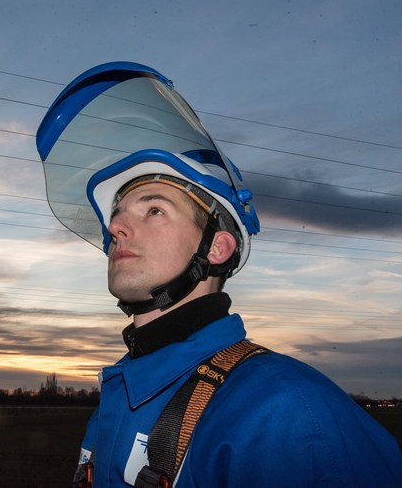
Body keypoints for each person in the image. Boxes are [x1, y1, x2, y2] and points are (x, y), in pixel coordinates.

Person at [35, 62, 402, 487]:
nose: (116, 227)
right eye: (117, 215)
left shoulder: (284, 409)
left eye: (154, 210)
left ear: (216, 247)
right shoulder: (118, 394)